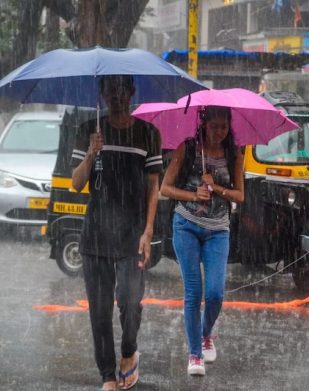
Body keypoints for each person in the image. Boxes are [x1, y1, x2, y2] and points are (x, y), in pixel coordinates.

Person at [71, 75, 162, 391]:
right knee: (99, 310)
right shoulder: (88, 130)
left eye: (123, 89)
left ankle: (129, 349)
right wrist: (91, 154)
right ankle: (107, 375)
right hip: (95, 234)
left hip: (132, 234)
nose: (118, 95)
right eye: (112, 90)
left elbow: (154, 186)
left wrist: (148, 230)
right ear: (103, 94)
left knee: (130, 299)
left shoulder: (147, 133)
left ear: (132, 91)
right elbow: (77, 183)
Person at [160, 106, 245, 376]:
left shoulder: (234, 154)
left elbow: (240, 196)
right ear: (203, 124)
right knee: (194, 293)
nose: (219, 132)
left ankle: (206, 333)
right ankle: (195, 354)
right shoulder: (187, 148)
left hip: (218, 230)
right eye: (214, 126)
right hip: (186, 225)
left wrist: (216, 187)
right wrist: (194, 195)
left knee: (215, 294)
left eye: (224, 126)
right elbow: (165, 188)